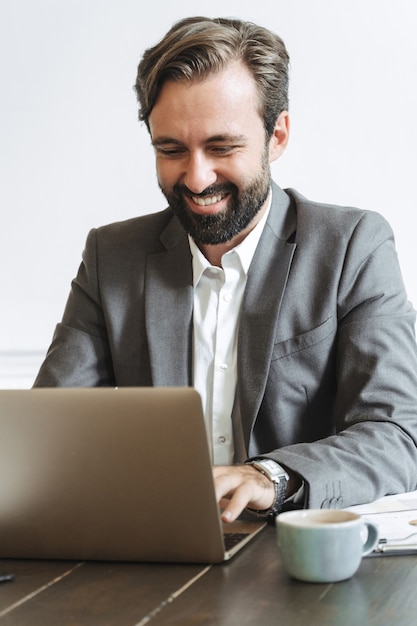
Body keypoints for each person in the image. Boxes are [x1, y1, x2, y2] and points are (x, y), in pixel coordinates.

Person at [34, 16, 417, 522]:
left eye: (222, 147)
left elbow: (396, 436)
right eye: (171, 149)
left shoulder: (353, 246)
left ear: (276, 135)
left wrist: (268, 477)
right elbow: (48, 432)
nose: (195, 177)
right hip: (157, 551)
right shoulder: (112, 256)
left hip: (296, 556)